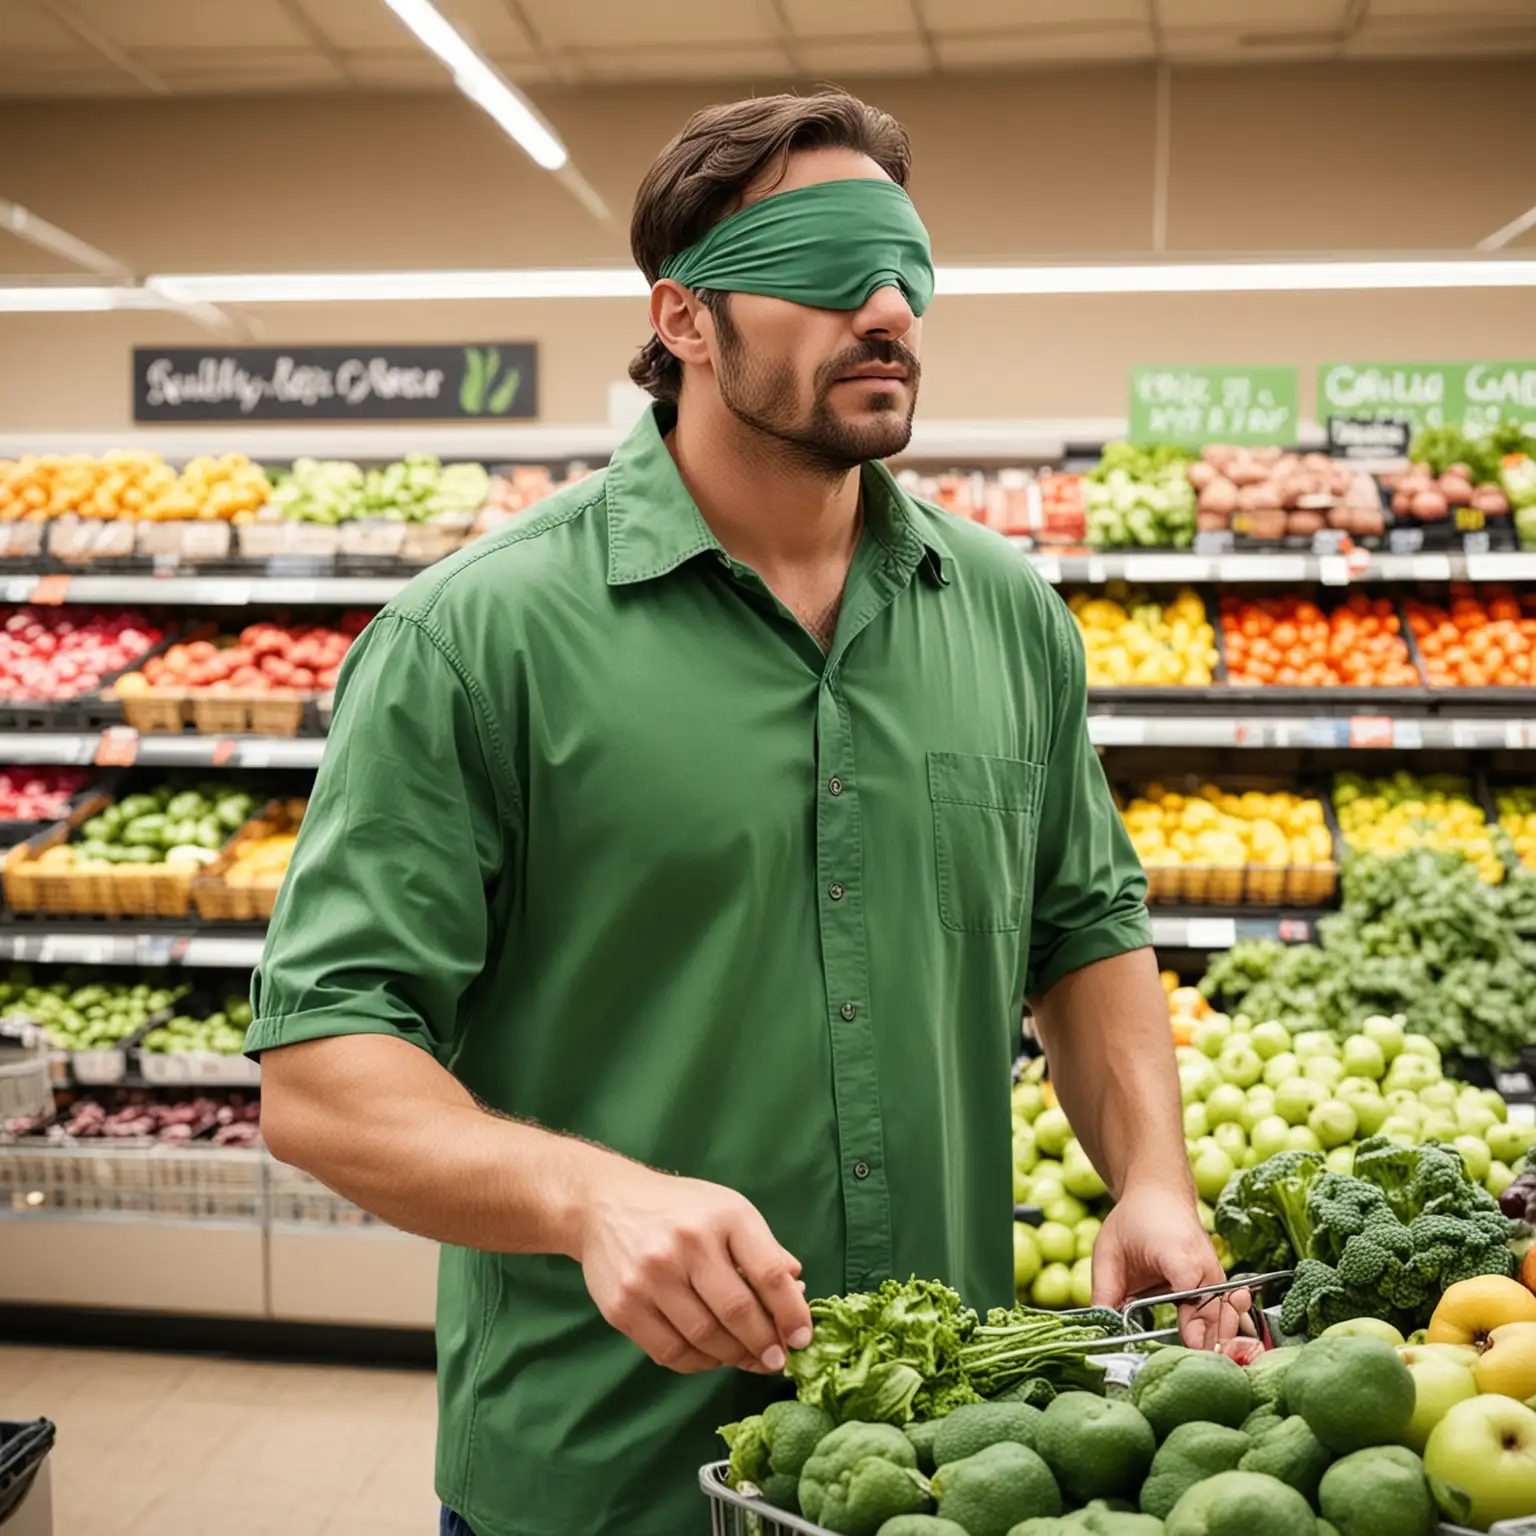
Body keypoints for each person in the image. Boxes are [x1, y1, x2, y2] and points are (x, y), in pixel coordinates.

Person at [250, 88, 1242, 1536]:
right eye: (827, 266)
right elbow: (322, 1069)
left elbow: (1081, 926)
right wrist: (591, 1201)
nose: (888, 306)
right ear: (684, 321)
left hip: (930, 1460)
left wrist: (1150, 1175)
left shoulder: (1010, 617)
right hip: (598, 1475)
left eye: (906, 268)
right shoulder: (478, 641)